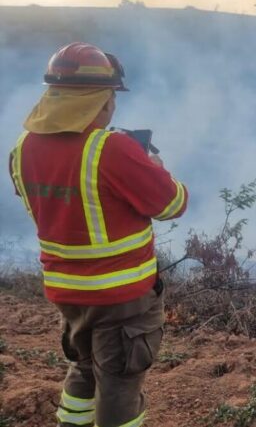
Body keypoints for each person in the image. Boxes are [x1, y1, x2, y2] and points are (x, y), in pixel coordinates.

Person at [7, 42, 188, 427]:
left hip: (67, 295)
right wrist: (155, 168)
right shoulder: (112, 149)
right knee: (120, 385)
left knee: (84, 368)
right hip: (122, 298)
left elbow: (57, 209)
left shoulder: (22, 149)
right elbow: (172, 204)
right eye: (110, 96)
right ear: (98, 99)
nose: (112, 106)